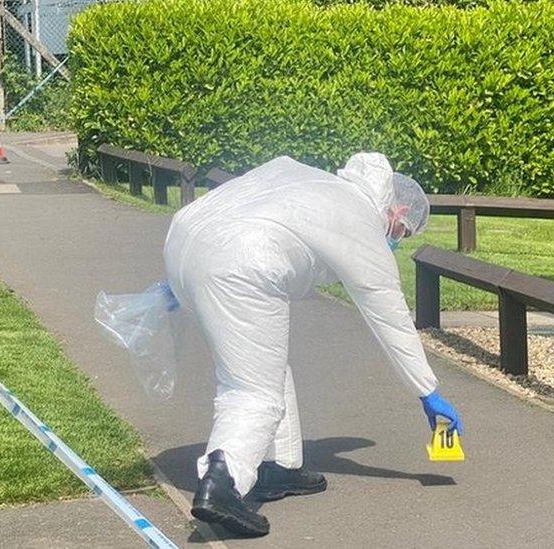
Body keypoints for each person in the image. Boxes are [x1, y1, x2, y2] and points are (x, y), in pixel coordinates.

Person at [162, 152, 463, 536]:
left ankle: (280, 467)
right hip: (244, 265)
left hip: (187, 243)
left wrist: (180, 278)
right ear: (396, 211)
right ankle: (223, 482)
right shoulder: (360, 218)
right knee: (253, 391)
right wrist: (427, 391)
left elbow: (232, 206)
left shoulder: (313, 181)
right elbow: (390, 314)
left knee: (266, 365)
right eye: (402, 232)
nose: (396, 241)